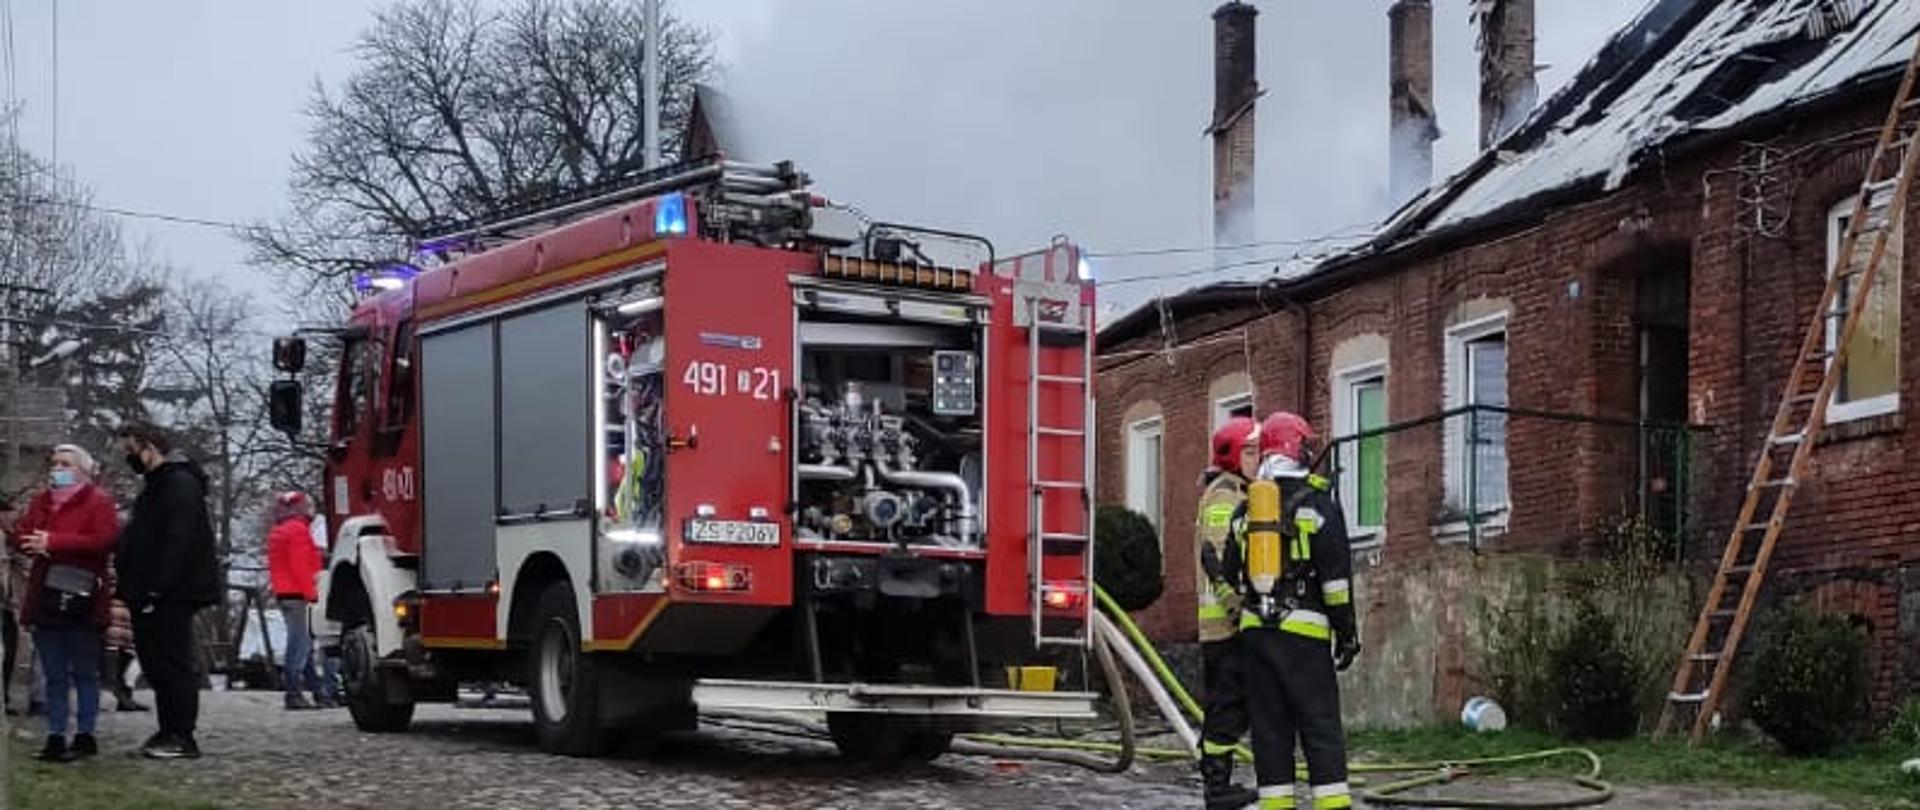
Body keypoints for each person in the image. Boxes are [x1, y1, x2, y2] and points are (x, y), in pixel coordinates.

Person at [1224, 412, 1360, 810]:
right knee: (1319, 726)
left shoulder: (1246, 511)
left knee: (1270, 731)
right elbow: (1336, 584)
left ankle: (1276, 805)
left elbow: (1232, 573)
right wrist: (1346, 635)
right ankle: (1332, 806)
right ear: (1297, 449)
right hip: (1305, 637)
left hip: (1256, 634)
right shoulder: (1319, 505)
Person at [9, 444, 122, 762]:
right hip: (45, 594)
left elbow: (104, 540)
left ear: (83, 471)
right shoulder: (42, 501)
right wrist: (29, 542)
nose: (57, 469)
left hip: (82, 597)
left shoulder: (98, 502)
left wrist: (55, 542)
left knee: (84, 671)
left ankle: (85, 734)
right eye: (55, 463)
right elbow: (23, 535)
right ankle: (56, 734)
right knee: (53, 672)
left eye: (65, 464)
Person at [115, 423, 220, 760]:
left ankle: (181, 733)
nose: (129, 457)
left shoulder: (178, 485)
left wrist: (157, 587)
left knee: (172, 662)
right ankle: (167, 729)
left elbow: (177, 540)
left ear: (149, 447)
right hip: (149, 588)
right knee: (155, 662)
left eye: (132, 450)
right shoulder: (158, 486)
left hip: (171, 591)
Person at [1195, 417, 1261, 810]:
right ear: (1233, 455)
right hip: (1225, 626)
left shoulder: (1240, 491)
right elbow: (1220, 562)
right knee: (1228, 708)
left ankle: (1219, 782)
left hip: (1227, 624)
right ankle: (1217, 787)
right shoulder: (1225, 497)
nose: (1257, 459)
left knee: (1229, 707)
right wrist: (1240, 612)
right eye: (1250, 452)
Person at [266, 491, 327, 710]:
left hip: (284, 593)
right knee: (300, 644)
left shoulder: (279, 530)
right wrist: (313, 594)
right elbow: (300, 566)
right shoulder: (298, 531)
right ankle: (293, 693)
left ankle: (315, 691)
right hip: (298, 593)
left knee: (301, 643)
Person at [103, 594, 147, 711]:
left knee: (126, 661)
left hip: (119, 625)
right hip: (121, 624)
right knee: (128, 660)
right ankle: (123, 696)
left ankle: (124, 698)